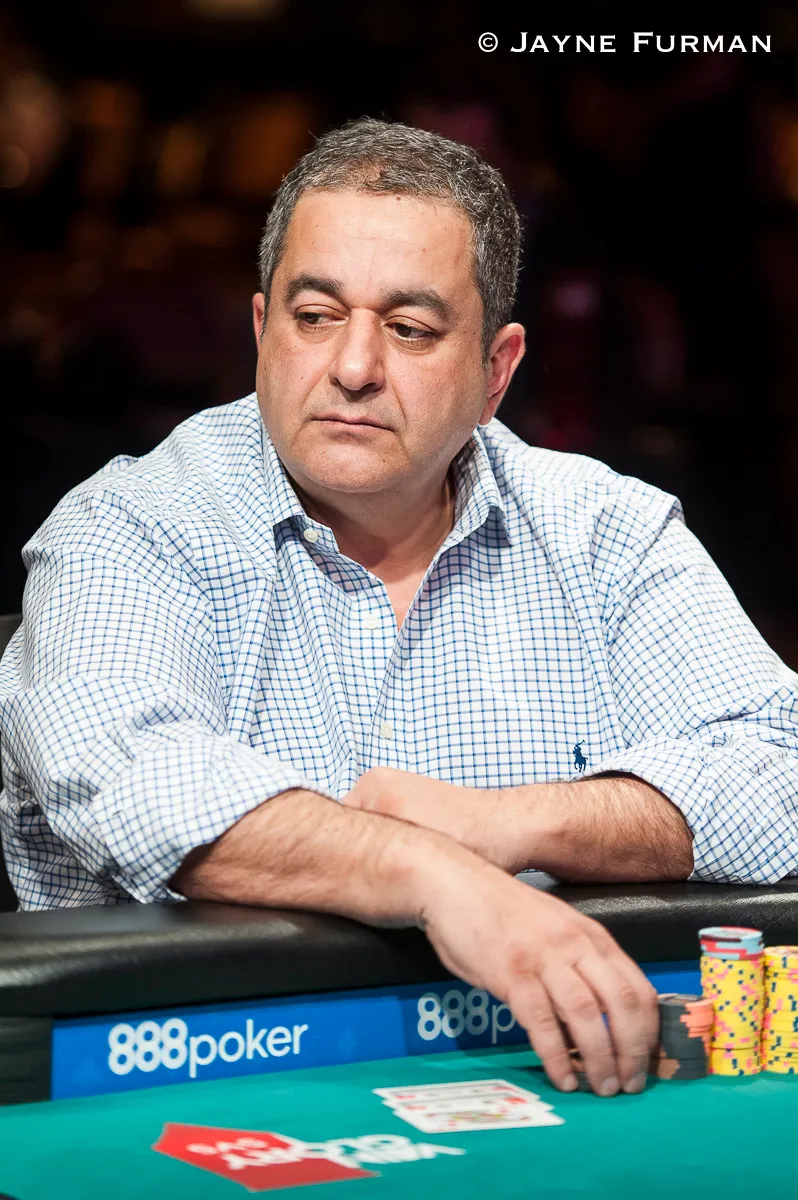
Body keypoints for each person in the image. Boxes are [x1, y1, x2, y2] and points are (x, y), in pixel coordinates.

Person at [2, 119, 797, 1101]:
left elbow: (783, 770)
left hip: (546, 1078)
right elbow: (133, 773)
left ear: (497, 371)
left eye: (410, 329)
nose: (353, 367)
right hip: (167, 1089)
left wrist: (513, 825)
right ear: (261, 330)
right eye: (315, 316)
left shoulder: (607, 534)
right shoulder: (129, 527)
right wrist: (434, 876)